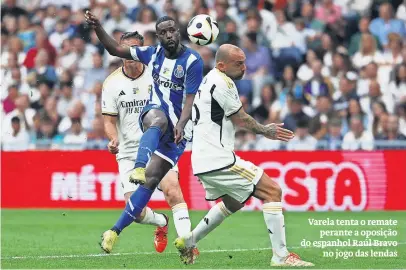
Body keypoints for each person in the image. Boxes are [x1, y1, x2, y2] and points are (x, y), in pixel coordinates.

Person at [173, 44, 314, 267]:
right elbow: (241, 118)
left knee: (235, 201)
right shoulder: (222, 82)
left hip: (202, 160)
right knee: (273, 190)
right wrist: (266, 130)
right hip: (218, 159)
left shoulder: (208, 80)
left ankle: (190, 240)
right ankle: (281, 256)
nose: (244, 68)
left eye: (244, 62)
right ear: (222, 65)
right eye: (238, 64)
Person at [85, 12, 203, 254]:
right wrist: (98, 27)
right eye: (164, 32)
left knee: (172, 191)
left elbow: (190, 98)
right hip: (137, 142)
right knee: (156, 118)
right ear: (158, 37)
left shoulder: (191, 61)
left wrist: (181, 123)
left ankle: (186, 243)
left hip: (172, 136)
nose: (169, 34)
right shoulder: (122, 76)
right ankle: (157, 219)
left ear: (178, 32)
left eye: (172, 30)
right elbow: (113, 50)